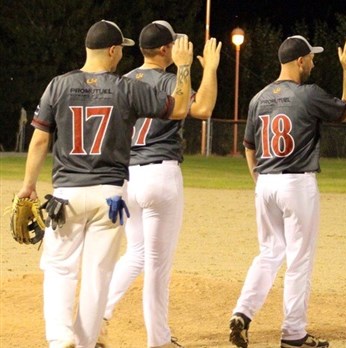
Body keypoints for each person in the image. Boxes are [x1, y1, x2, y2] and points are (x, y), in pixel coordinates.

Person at [15, 19, 193, 348]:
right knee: (99, 273)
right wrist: (183, 68)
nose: (121, 57)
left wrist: (28, 185)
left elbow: (40, 140)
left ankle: (60, 338)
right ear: (112, 50)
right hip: (110, 196)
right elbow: (181, 107)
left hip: (66, 194)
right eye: (120, 51)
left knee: (60, 267)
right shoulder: (126, 87)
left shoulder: (59, 85)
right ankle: (83, 342)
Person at [228, 35, 346, 348]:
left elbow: (249, 146)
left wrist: (259, 181)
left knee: (270, 253)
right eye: (310, 58)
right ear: (299, 61)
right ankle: (293, 334)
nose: (312, 62)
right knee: (299, 260)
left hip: (267, 182)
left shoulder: (258, 98)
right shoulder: (308, 93)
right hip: (297, 183)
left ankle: (242, 313)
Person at [98, 20, 220, 348]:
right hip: (159, 175)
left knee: (135, 253)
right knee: (157, 267)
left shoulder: (122, 81)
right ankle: (159, 341)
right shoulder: (170, 81)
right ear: (165, 49)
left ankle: (97, 319)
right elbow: (203, 108)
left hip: (126, 178)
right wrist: (209, 70)